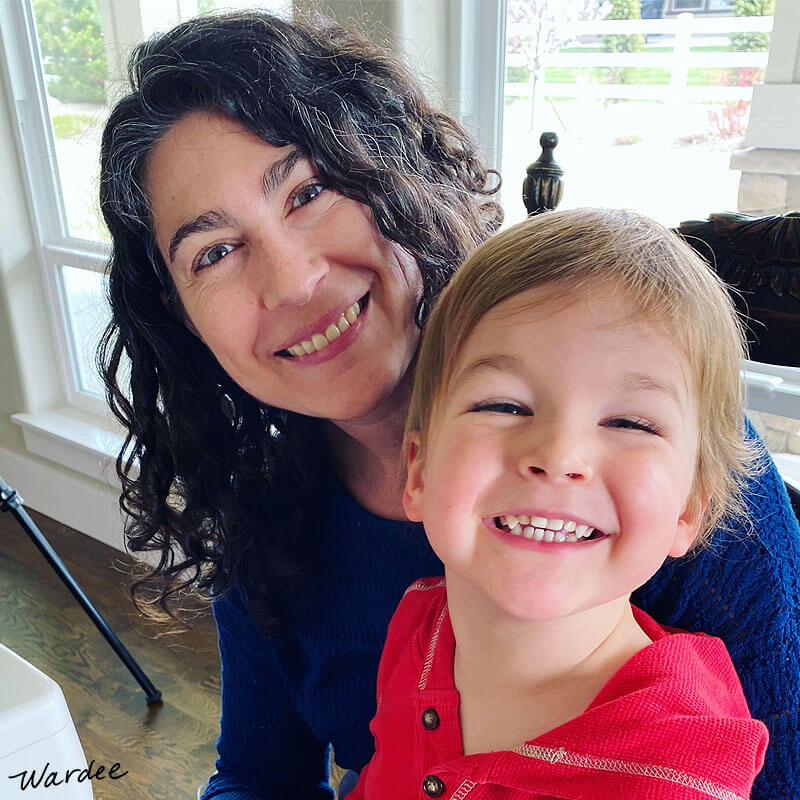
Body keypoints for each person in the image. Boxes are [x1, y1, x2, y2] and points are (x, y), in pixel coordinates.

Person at [96, 10, 800, 800]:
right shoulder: (267, 508)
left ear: (394, 170)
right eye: (215, 252)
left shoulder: (646, 471)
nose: (292, 280)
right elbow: (261, 778)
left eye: (310, 190)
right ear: (182, 320)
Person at [348, 208, 769, 799]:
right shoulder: (420, 624)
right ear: (417, 468)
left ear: (687, 511)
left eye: (629, 422)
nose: (558, 453)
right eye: (504, 405)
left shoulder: (678, 773)